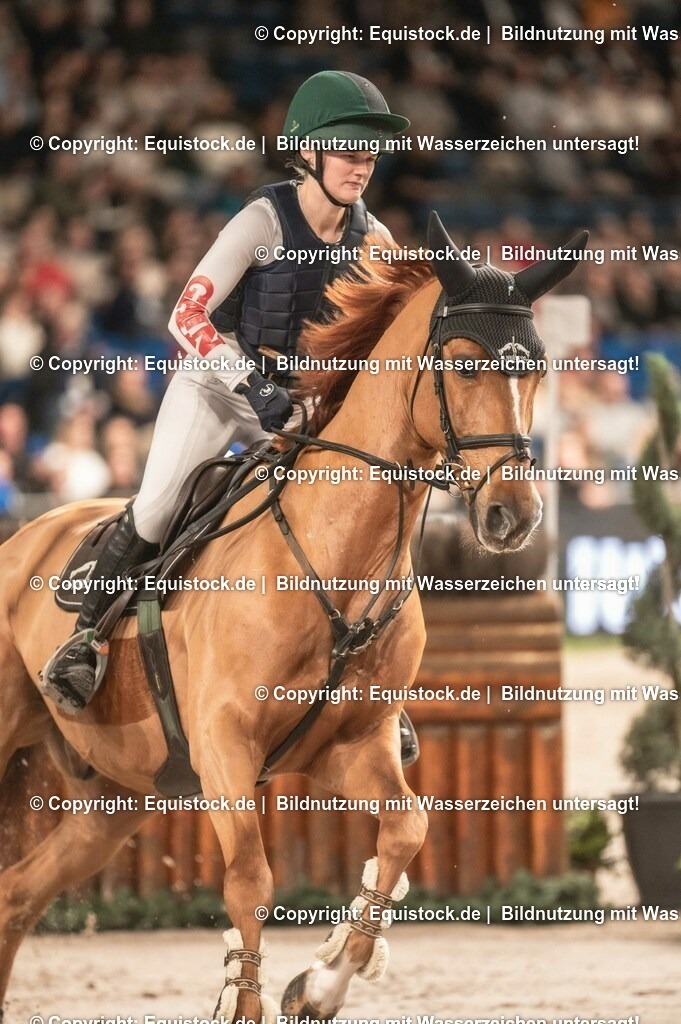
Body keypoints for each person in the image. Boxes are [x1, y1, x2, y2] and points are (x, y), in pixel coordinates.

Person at [45, 70, 410, 714]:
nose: (362, 165)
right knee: (159, 507)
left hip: (298, 405)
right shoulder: (261, 220)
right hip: (218, 385)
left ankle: (373, 687)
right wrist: (248, 381)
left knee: (360, 512)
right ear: (309, 151)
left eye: (370, 152)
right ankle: (86, 642)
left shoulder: (374, 241)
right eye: (349, 150)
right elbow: (186, 315)